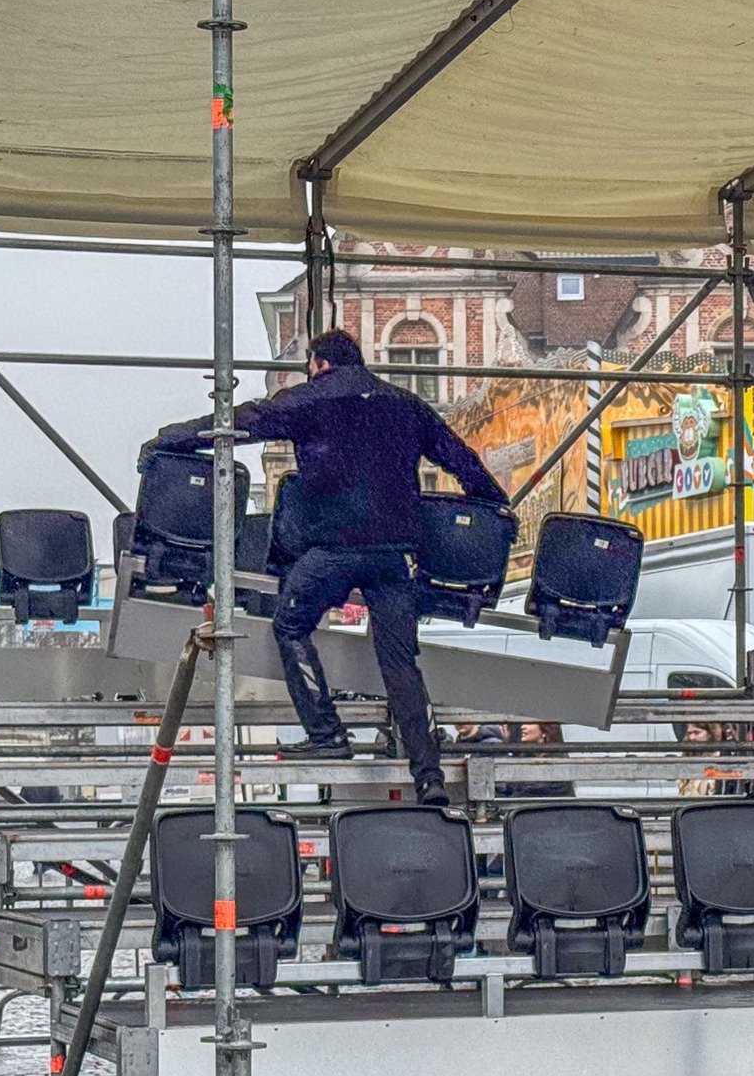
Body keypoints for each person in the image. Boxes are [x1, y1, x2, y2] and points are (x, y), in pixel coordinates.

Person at [145, 328, 507, 804]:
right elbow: (461, 459)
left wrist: (167, 440)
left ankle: (327, 733)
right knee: (400, 660)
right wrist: (495, 505)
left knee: (292, 625)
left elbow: (235, 424)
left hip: (333, 550)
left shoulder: (309, 400)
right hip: (392, 555)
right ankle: (429, 775)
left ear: (318, 363)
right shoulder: (406, 405)